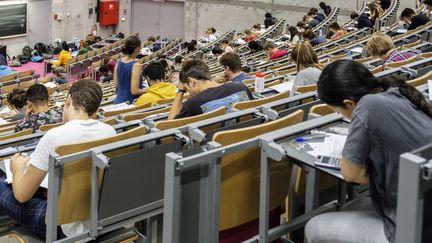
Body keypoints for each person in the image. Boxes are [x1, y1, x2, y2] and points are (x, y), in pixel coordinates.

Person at [305, 59, 432, 243]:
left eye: (340, 112)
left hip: (409, 230)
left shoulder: (367, 106)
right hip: (422, 215)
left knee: (313, 226)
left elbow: (351, 174)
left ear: (349, 103)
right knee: (351, 206)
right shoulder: (398, 93)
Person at [0, 80, 116, 240]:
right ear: (95, 109)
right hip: (99, 216)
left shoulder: (54, 136)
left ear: (68, 100)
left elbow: (21, 195)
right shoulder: (110, 131)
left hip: (62, 226)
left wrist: (17, 167)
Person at [167, 60, 253, 119]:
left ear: (191, 81)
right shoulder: (241, 87)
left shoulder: (193, 103)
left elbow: (171, 125)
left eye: (187, 89)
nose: (190, 94)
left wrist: (181, 91)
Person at [113, 36, 147, 104]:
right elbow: (134, 91)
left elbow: (116, 85)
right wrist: (149, 89)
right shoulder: (136, 65)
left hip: (118, 102)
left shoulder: (118, 61)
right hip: (130, 103)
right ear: (137, 48)